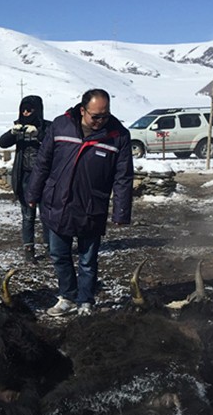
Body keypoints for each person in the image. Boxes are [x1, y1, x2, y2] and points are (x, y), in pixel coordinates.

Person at [26, 88, 133, 317]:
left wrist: (121, 211)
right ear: (82, 110)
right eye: (96, 116)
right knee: (59, 255)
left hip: (91, 207)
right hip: (58, 204)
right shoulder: (60, 126)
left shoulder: (118, 135)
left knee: (87, 260)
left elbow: (123, 176)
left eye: (105, 115)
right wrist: (32, 195)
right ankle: (67, 296)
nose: (101, 121)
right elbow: (43, 163)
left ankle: (85, 300)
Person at [0, 95, 52, 263]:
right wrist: (12, 133)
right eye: (23, 110)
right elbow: (2, 143)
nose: (26, 113)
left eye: (29, 110)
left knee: (46, 214)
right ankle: (29, 250)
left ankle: (51, 248)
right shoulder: (19, 127)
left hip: (44, 176)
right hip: (24, 176)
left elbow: (54, 144)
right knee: (28, 215)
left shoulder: (48, 127)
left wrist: (39, 134)